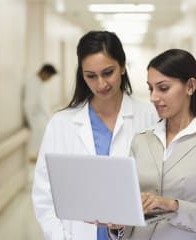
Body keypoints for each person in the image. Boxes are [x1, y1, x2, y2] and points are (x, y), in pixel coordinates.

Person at [32, 30, 158, 240]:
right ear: (82, 75)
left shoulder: (150, 116)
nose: (101, 84)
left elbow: (163, 184)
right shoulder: (61, 124)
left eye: (108, 72)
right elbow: (44, 194)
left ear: (123, 67)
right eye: (91, 76)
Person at [109, 49, 196, 240]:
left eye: (163, 88)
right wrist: (118, 225)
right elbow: (132, 215)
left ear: (190, 86)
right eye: (151, 88)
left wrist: (174, 206)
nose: (153, 97)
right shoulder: (141, 140)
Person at [24, 64, 57, 161]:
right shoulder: (33, 83)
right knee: (38, 134)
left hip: (39, 116)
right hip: (34, 116)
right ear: (44, 73)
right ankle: (34, 155)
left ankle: (36, 155)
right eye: (49, 76)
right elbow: (31, 103)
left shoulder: (39, 83)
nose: (49, 79)